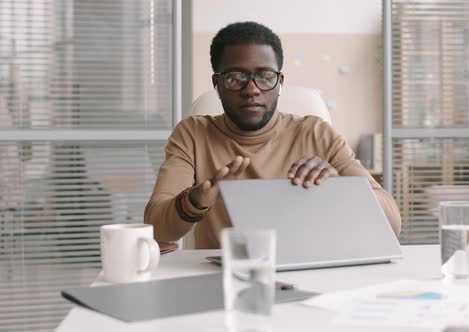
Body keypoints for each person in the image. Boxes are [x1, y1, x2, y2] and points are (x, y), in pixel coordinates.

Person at [144, 21, 401, 249]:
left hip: (311, 272)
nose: (251, 90)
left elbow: (392, 223)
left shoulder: (317, 133)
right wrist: (194, 202)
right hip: (225, 278)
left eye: (265, 77)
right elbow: (157, 228)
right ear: (217, 85)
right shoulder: (193, 134)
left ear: (280, 83)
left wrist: (340, 190)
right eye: (235, 78)